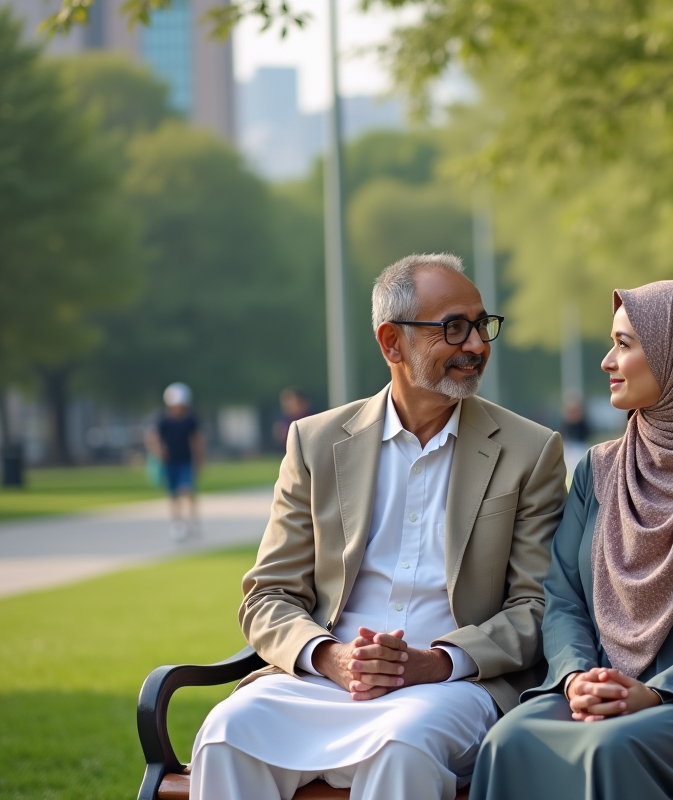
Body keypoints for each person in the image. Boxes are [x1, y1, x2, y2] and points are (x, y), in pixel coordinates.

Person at [189, 254, 567, 800]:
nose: (477, 345)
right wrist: (330, 657)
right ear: (392, 343)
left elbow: (537, 606)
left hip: (453, 687)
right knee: (227, 732)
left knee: (403, 745)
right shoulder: (315, 443)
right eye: (453, 328)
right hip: (322, 681)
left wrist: (435, 662)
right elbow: (268, 595)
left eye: (482, 325)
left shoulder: (530, 450)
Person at [469, 281, 673, 800]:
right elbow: (563, 598)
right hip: (601, 685)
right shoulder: (599, 468)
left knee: (611, 748)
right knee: (508, 740)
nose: (607, 361)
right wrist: (576, 676)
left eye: (624, 344)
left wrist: (657, 692)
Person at [146, 382, 203, 541]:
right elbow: (152, 438)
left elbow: (197, 441)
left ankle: (191, 521)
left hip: (186, 461)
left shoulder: (190, 420)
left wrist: (199, 461)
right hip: (170, 463)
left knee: (187, 491)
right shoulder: (163, 420)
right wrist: (159, 453)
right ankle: (177, 523)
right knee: (173, 495)